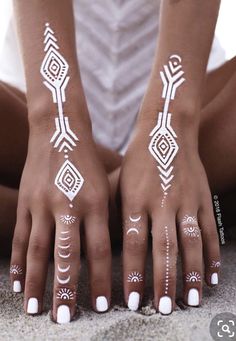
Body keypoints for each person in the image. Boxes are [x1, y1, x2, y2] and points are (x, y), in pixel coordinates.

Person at [1, 0, 235, 324]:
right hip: (29, 91)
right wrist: (54, 119)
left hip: (200, 98)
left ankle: (32, 213)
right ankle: (133, 206)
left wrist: (172, 120)